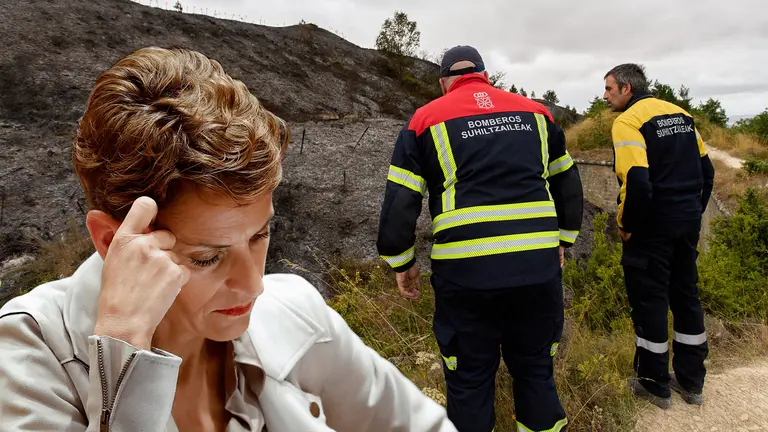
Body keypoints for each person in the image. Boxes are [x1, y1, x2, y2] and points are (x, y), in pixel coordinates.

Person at [0, 47, 457, 432]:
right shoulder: (26, 357)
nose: (253, 284)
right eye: (207, 258)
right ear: (111, 240)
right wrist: (123, 352)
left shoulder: (296, 310)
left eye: (260, 235)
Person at [376, 45, 584, 432]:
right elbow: (568, 182)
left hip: (466, 275)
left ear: (444, 83)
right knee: (537, 372)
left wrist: (402, 262)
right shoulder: (536, 113)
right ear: (485, 76)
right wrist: (563, 241)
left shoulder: (425, 120)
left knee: (469, 381)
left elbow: (400, 201)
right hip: (536, 270)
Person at [603, 63, 715, 408]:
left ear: (626, 89)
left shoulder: (628, 121)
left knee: (650, 300)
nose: (604, 95)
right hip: (685, 221)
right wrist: (694, 212)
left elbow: (637, 179)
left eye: (608, 89)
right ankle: (692, 382)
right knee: (686, 296)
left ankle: (654, 384)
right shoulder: (681, 114)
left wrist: (626, 225)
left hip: (652, 227)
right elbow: (707, 171)